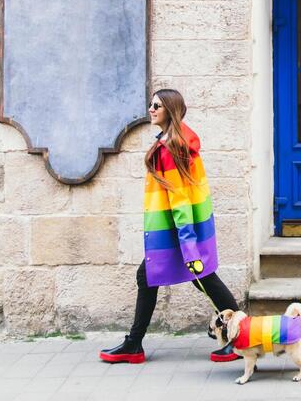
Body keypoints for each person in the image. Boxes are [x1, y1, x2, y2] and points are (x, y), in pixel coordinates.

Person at [99, 89, 241, 364]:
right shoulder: (175, 142)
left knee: (202, 277)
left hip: (177, 231)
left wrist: (188, 244)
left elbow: (180, 200)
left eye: (157, 106)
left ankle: (240, 336)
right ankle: (134, 343)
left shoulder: (171, 148)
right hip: (179, 230)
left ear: (171, 111)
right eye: (151, 104)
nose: (151, 109)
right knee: (189, 278)